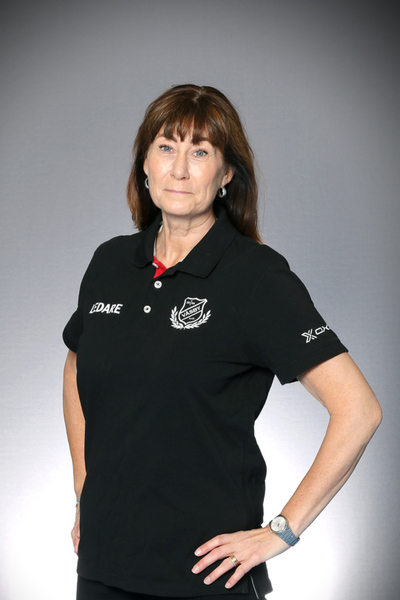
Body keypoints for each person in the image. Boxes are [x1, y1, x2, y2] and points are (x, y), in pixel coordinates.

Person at [63, 84, 382, 600]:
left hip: (208, 577)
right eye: (166, 147)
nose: (179, 169)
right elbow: (78, 363)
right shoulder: (110, 263)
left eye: (200, 152)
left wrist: (281, 532)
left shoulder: (256, 278)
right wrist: (85, 489)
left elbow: (359, 410)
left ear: (227, 173)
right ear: (144, 164)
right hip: (103, 568)